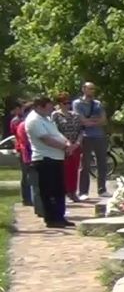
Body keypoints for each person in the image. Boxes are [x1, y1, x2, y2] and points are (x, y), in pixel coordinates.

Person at [25, 97, 77, 228]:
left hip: (56, 158)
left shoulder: (46, 119)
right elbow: (46, 139)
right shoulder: (34, 120)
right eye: (48, 107)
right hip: (45, 159)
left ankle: (60, 217)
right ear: (39, 107)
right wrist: (65, 147)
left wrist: (67, 143)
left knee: (59, 190)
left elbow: (56, 134)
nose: (51, 109)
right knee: (49, 191)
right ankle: (51, 219)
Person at [73, 81, 108, 198]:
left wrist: (91, 121)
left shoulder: (98, 103)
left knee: (102, 163)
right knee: (85, 165)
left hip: (99, 136)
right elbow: (82, 121)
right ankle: (83, 192)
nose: (92, 91)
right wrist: (94, 121)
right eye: (90, 88)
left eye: (93, 89)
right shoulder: (77, 103)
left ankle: (102, 189)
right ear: (84, 89)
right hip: (85, 136)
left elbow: (104, 120)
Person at [52, 93, 85, 203]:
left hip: (75, 147)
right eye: (65, 103)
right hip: (62, 147)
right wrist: (67, 144)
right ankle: (64, 192)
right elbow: (54, 131)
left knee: (74, 170)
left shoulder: (75, 115)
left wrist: (77, 143)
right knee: (64, 171)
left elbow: (81, 130)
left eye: (69, 103)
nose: (68, 105)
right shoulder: (55, 115)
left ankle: (73, 192)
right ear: (59, 104)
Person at [14, 103, 40, 215]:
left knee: (31, 179)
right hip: (26, 154)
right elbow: (24, 140)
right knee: (29, 178)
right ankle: (27, 199)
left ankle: (31, 200)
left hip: (29, 153)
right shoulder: (21, 123)